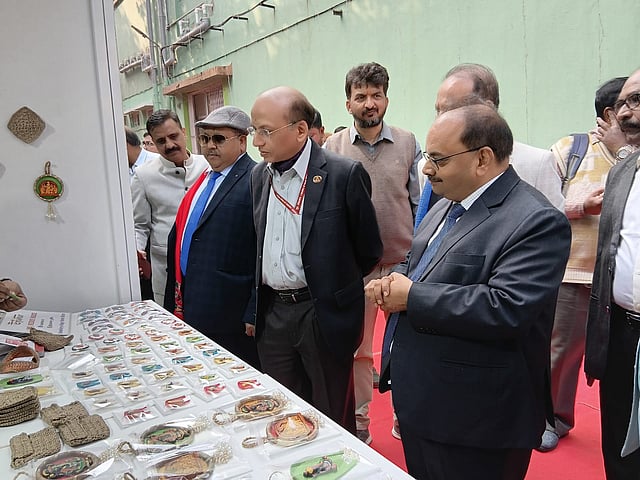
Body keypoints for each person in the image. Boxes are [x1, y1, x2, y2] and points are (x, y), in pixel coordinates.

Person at [368, 104, 571, 480]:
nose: (427, 169)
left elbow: (507, 308)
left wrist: (411, 297)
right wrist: (393, 281)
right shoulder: (445, 204)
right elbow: (416, 262)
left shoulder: (536, 220)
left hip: (477, 420)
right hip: (423, 402)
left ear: (483, 159)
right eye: (428, 157)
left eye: (439, 159)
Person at [249, 86, 383, 434]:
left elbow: (369, 250)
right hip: (274, 315)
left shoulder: (342, 175)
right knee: (283, 413)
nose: (257, 141)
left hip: (322, 314)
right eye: (254, 131)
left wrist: (331, 284)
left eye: (265, 131)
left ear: (299, 130)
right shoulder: (259, 177)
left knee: (331, 415)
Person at [324, 62, 423, 444]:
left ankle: (405, 415)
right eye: (361, 96)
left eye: (377, 95)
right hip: (357, 269)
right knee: (360, 350)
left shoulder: (408, 142)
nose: (370, 103)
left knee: (405, 346)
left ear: (386, 99)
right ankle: (360, 418)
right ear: (348, 103)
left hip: (401, 263)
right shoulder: (332, 148)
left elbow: (418, 204)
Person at [538, 77, 628, 453]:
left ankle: (627, 427)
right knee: (560, 352)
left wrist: (624, 152)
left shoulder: (633, 157)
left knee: (624, 359)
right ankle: (552, 419)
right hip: (574, 273)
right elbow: (540, 205)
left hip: (624, 281)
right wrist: (579, 206)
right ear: (611, 113)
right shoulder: (570, 150)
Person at [164, 106, 260, 368]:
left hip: (231, 312)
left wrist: (253, 309)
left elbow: (262, 251)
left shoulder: (256, 180)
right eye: (205, 138)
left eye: (219, 139)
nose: (209, 146)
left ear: (242, 142)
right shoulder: (204, 179)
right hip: (194, 301)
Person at [585, 69, 640, 480]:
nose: (623, 113)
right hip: (622, 332)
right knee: (620, 445)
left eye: (636, 101)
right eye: (622, 103)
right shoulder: (623, 171)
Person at [428, 63, 564, 211]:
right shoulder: (429, 166)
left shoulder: (537, 164)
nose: (440, 118)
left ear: (487, 108)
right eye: (438, 110)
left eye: (452, 110)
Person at [131, 110, 208, 306]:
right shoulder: (143, 175)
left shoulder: (207, 166)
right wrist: (137, 250)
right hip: (165, 267)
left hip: (205, 264)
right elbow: (139, 225)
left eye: (173, 136)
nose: (169, 145)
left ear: (184, 132)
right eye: (161, 141)